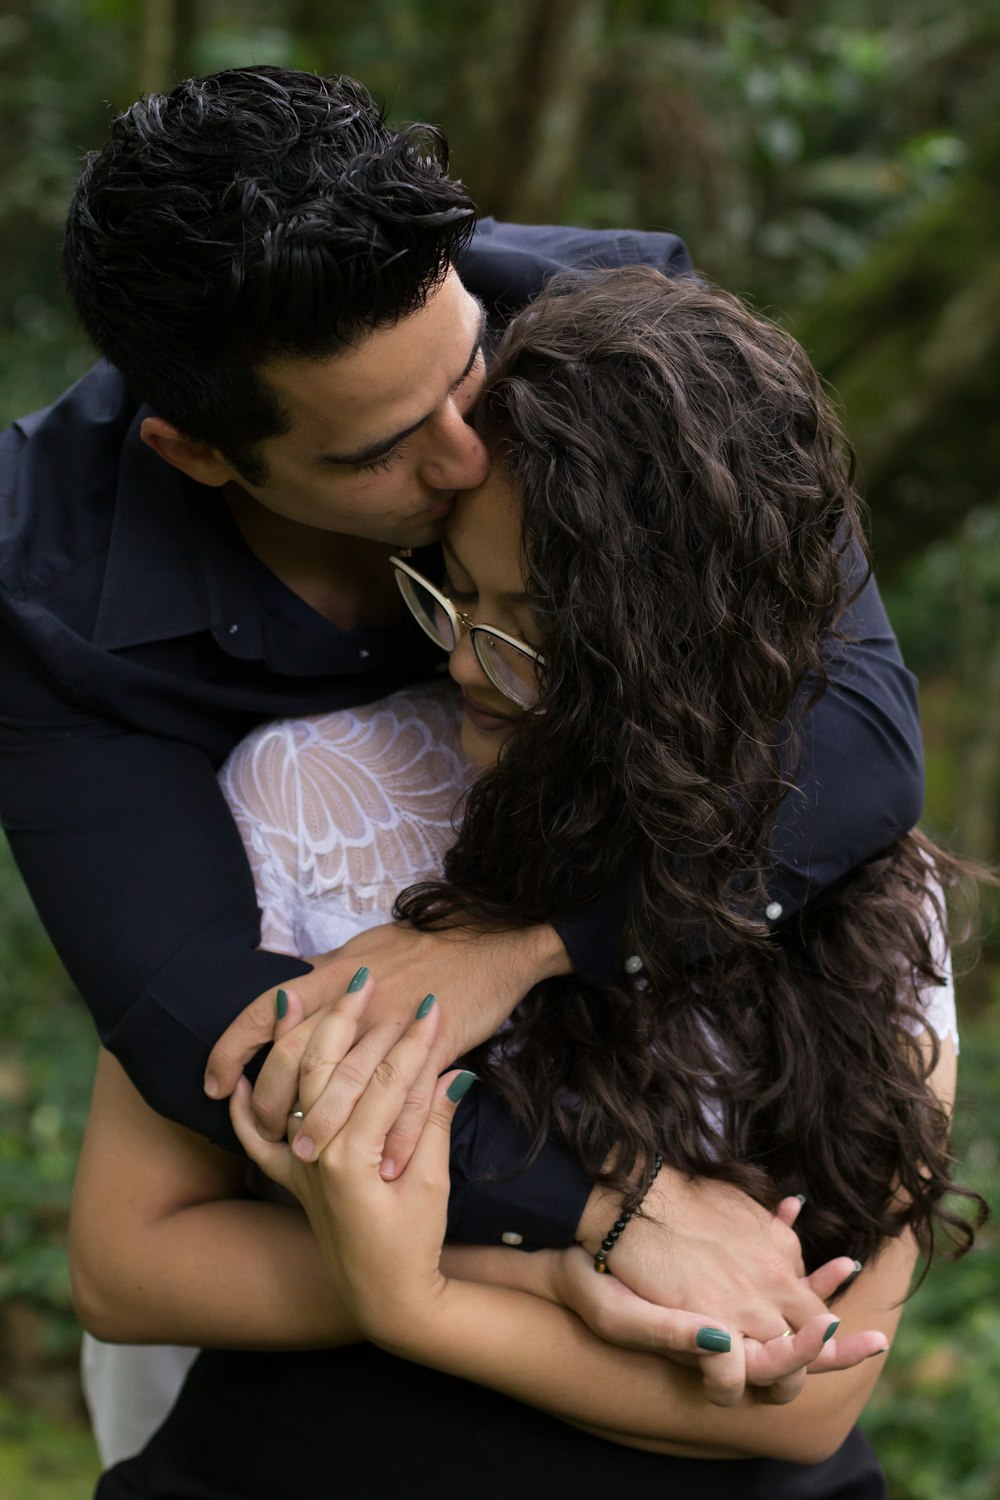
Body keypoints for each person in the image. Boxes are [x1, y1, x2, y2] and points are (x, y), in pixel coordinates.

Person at [1, 63, 923, 1420]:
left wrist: (531, 943)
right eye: (384, 449)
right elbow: (203, 1016)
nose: (471, 458)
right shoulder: (44, 581)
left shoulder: (623, 339)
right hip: (281, 1324)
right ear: (197, 454)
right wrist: (610, 1205)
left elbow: (861, 741)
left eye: (471, 369)